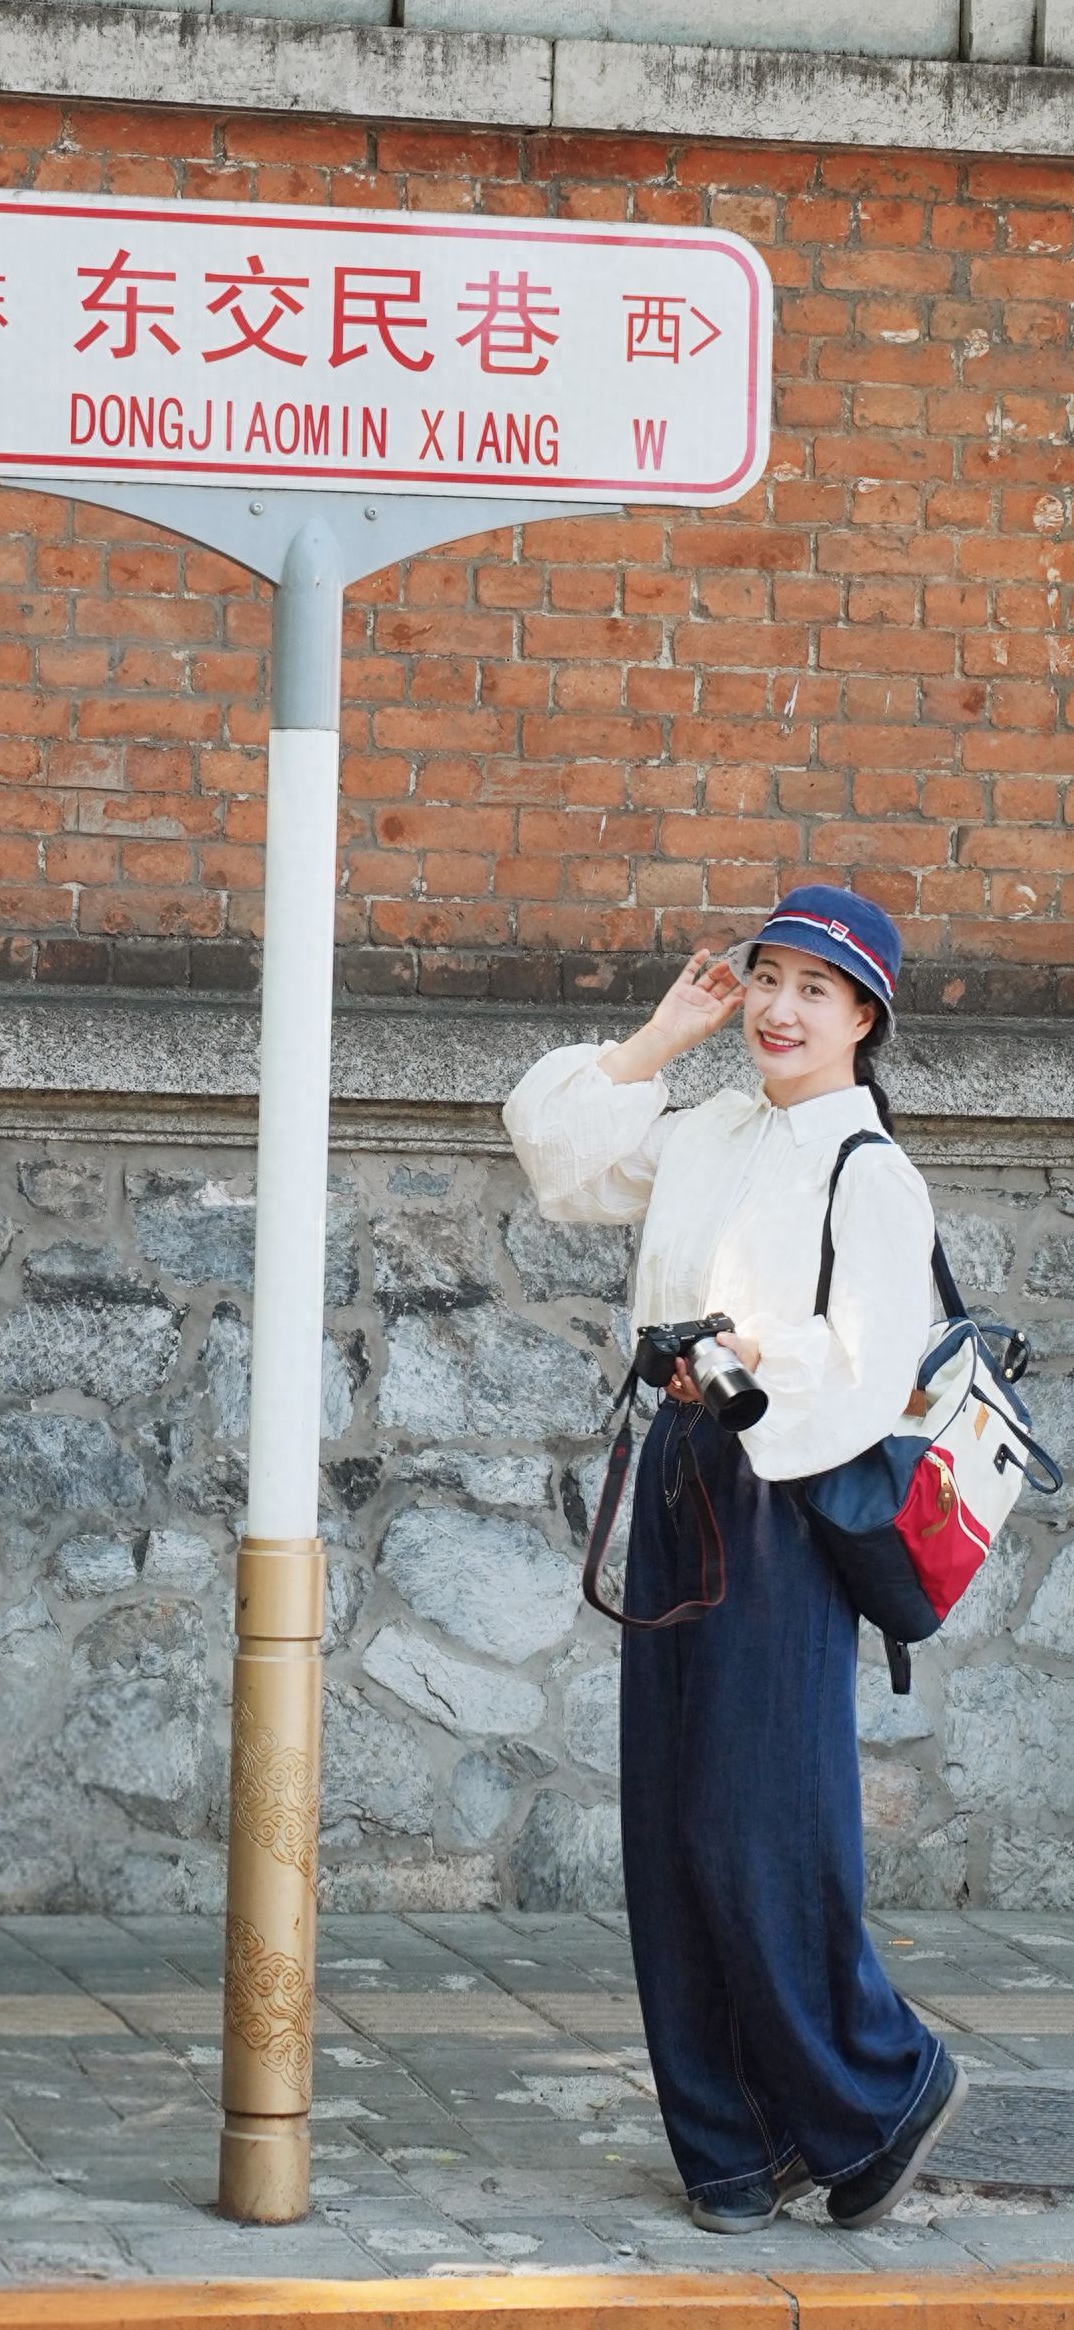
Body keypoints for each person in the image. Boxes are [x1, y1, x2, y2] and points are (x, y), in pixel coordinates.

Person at [503, 882, 967, 2235]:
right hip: (682, 1474)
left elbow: (872, 1366)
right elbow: (564, 1161)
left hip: (786, 1492)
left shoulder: (866, 1168)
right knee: (669, 1821)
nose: (777, 1008)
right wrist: (655, 1041)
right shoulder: (711, 1127)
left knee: (757, 1819)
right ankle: (731, 2143)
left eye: (813, 991)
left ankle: (875, 2090)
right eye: (767, 979)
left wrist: (757, 1356)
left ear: (863, 1017)